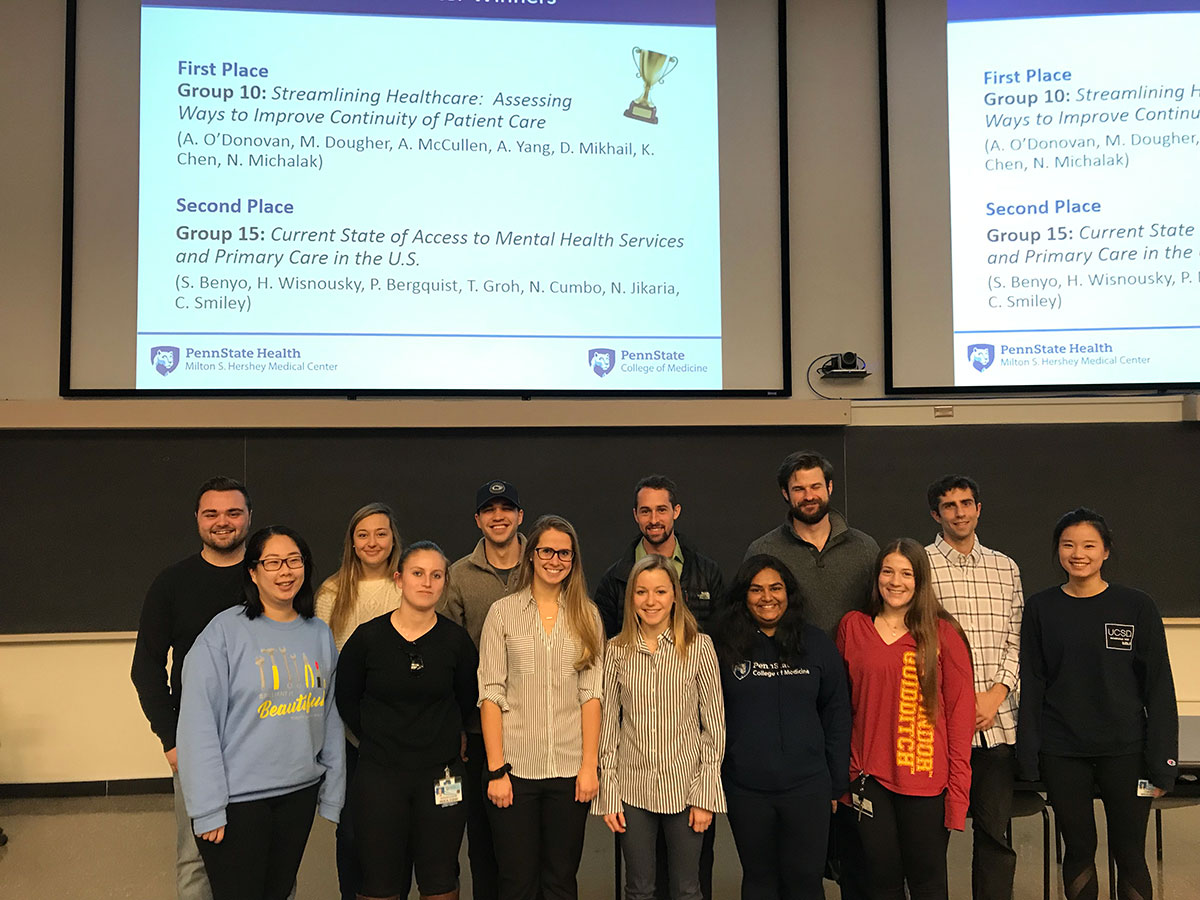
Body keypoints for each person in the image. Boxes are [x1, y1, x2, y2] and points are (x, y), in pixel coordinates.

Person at [177, 525, 345, 900]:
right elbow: (196, 727)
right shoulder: (222, 634)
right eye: (272, 562)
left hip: (298, 793)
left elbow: (329, 714)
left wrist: (333, 790)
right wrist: (206, 808)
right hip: (239, 803)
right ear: (253, 572)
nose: (285, 571)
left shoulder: (317, 633)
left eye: (294, 561)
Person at [1017, 508, 1178, 900]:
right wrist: (1028, 753)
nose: (1078, 553)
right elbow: (1033, 683)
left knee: (1130, 853)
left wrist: (1163, 761)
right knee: (1078, 850)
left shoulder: (1136, 606)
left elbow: (1159, 688)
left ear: (1106, 551)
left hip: (1127, 751)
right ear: (1058, 551)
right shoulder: (1041, 608)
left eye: (1089, 545)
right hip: (1062, 751)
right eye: (1068, 544)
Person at [744, 450, 878, 899]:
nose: (808, 495)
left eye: (815, 486)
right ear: (786, 493)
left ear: (830, 489)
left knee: (850, 840)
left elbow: (881, 618)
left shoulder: (864, 548)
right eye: (798, 488)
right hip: (784, 691)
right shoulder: (763, 550)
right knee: (776, 867)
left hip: (853, 699)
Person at [130, 475, 253, 900]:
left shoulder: (269, 579)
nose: (223, 522)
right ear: (198, 520)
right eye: (212, 513)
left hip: (263, 738)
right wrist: (171, 739)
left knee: (263, 854)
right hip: (197, 742)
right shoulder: (171, 583)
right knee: (196, 857)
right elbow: (145, 667)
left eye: (233, 512)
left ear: (249, 518)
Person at [336, 541, 479, 900]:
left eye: (436, 575)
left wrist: (441, 735)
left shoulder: (455, 641)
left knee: (440, 876)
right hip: (380, 775)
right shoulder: (367, 639)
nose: (427, 583)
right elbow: (347, 698)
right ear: (399, 579)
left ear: (445, 582)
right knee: (379, 878)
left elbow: (466, 698)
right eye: (418, 573)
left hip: (441, 776)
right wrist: (379, 738)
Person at [836, 539, 974, 900]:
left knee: (928, 884)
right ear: (877, 577)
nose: (895, 582)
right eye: (888, 571)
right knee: (881, 883)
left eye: (906, 573)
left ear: (920, 580)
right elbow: (838, 707)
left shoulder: (943, 634)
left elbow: (960, 719)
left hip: (925, 781)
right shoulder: (853, 628)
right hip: (868, 778)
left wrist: (958, 795)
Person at [477, 514, 604, 900]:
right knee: (516, 882)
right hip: (515, 773)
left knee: (561, 881)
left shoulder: (588, 615)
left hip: (569, 773)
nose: (555, 559)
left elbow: (592, 695)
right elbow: (490, 694)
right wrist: (497, 770)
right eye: (546, 550)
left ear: (573, 560)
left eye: (564, 553)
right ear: (531, 554)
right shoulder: (503, 613)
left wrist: (588, 767)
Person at [714, 554, 850, 900]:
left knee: (804, 881)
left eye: (775, 588)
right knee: (760, 880)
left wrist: (835, 784)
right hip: (746, 789)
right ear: (743, 596)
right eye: (756, 589)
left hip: (808, 788)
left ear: (789, 593)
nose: (767, 597)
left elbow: (837, 713)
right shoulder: (722, 646)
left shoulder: (816, 643)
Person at [595, 554, 726, 900]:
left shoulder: (699, 647)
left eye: (660, 592)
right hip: (632, 788)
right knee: (638, 889)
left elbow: (714, 728)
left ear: (675, 596)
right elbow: (607, 726)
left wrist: (705, 795)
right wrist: (609, 793)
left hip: (686, 788)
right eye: (641, 592)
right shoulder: (615, 651)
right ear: (631, 598)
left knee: (687, 888)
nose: (650, 601)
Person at [924, 475, 1023, 900]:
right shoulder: (919, 565)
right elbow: (916, 642)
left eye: (966, 503)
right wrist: (959, 705)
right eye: (950, 505)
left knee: (994, 837)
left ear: (979, 508)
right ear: (936, 514)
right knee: (930, 840)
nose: (960, 512)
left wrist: (998, 692)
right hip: (938, 728)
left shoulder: (1006, 567)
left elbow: (1016, 639)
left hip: (996, 724)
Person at [439, 480, 527, 900]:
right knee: (486, 844)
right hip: (477, 730)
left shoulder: (546, 562)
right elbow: (446, 658)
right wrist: (456, 723)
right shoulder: (457, 576)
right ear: (478, 520)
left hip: (537, 728)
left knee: (532, 847)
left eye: (506, 508)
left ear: (519, 516)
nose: (498, 516)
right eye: (489, 510)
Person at [316, 502, 404, 900]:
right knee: (351, 827)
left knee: (398, 825)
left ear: (393, 538)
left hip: (402, 728)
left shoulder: (410, 584)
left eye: (380, 533)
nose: (372, 542)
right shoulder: (332, 593)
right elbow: (324, 665)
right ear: (351, 542)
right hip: (348, 730)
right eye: (362, 534)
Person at [594, 474, 724, 637]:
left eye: (661, 510)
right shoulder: (614, 579)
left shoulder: (707, 573)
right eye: (645, 511)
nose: (654, 520)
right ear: (635, 515)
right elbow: (602, 641)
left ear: (676, 511)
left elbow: (723, 636)